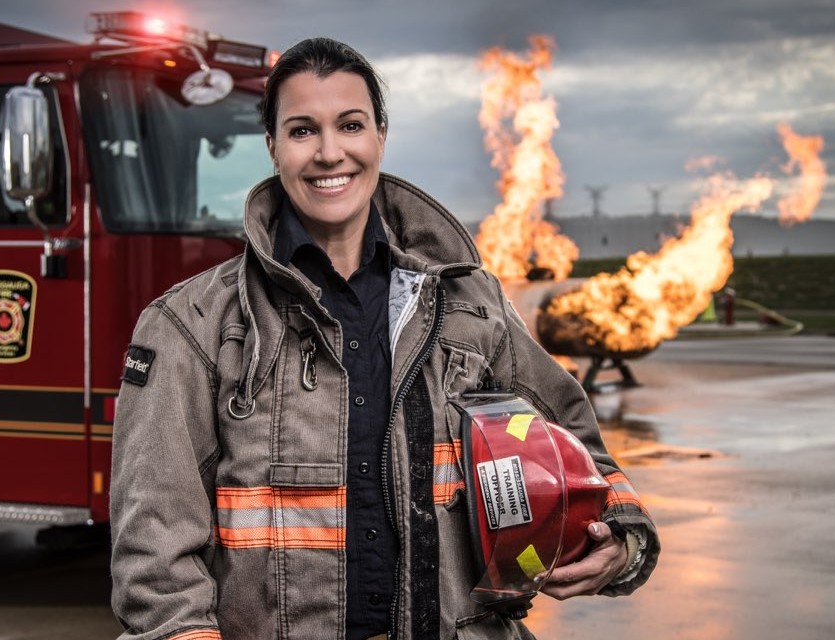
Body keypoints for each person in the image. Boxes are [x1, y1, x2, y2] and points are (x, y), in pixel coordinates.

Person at [109, 37, 659, 639]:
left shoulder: (471, 303)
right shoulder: (193, 325)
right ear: (272, 147)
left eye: (350, 125)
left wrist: (620, 537)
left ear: (380, 136)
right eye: (301, 131)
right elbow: (154, 554)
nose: (329, 152)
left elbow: (574, 447)